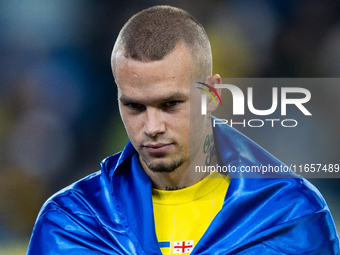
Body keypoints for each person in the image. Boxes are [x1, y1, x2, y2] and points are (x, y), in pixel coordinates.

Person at [27, 5, 339, 254]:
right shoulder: (70, 223)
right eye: (135, 106)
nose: (151, 127)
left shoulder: (291, 215)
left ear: (212, 96)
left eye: (171, 104)